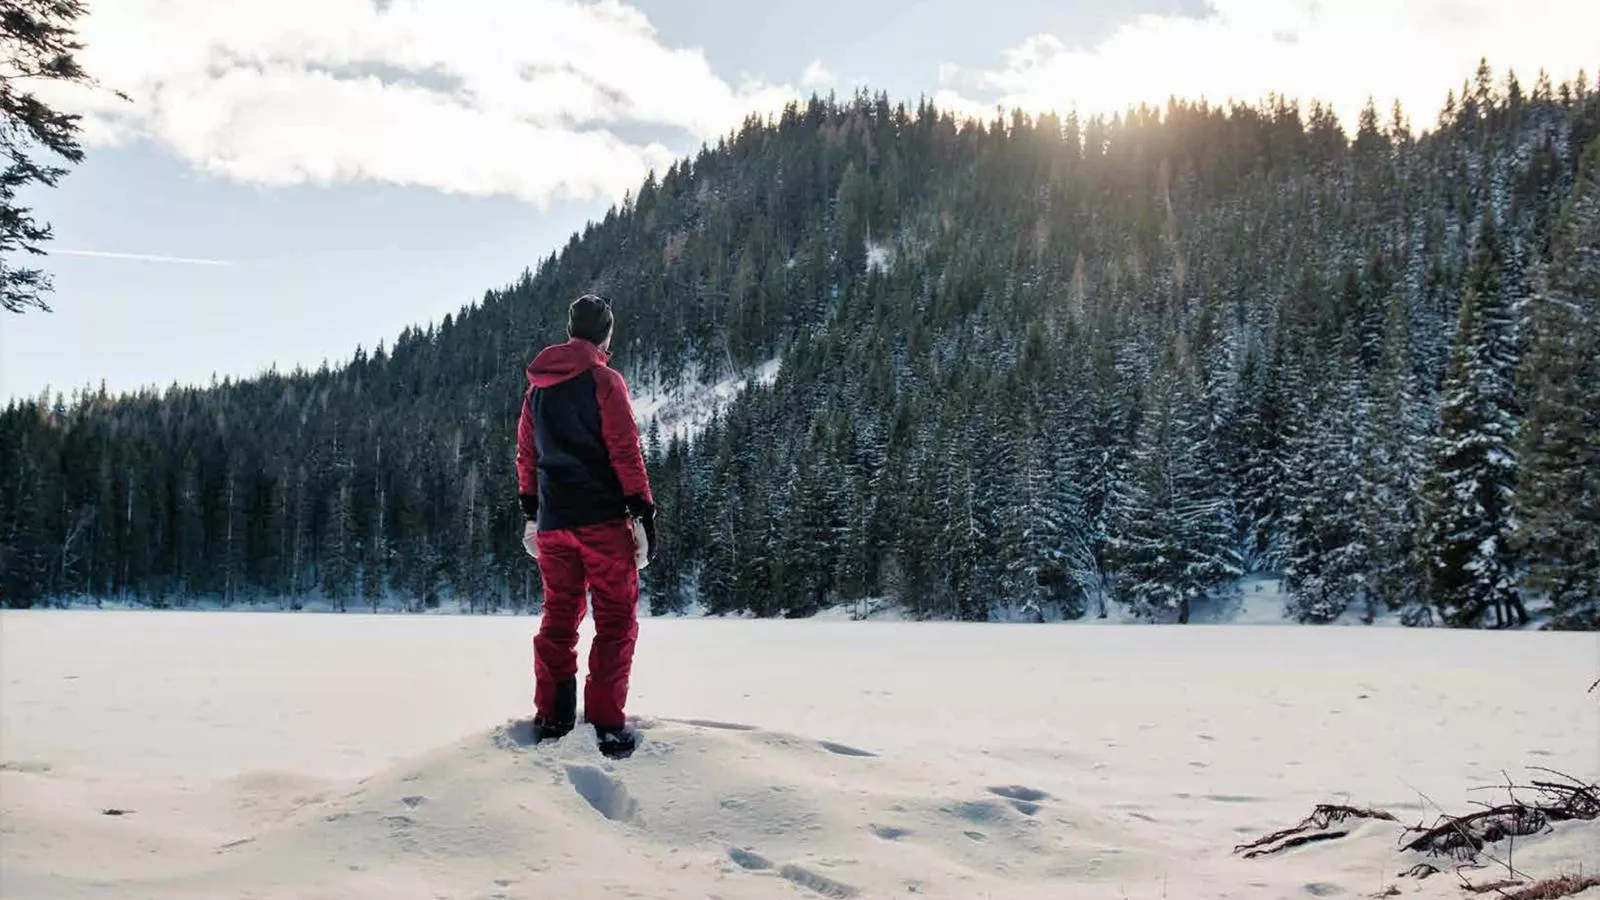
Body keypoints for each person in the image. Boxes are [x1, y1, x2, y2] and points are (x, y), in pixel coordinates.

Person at [515, 293, 656, 759]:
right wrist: (643, 511)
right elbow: (624, 450)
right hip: (600, 521)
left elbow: (527, 457)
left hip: (554, 523)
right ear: (606, 334)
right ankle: (606, 728)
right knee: (616, 621)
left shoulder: (537, 390)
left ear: (571, 328)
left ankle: (553, 719)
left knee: (559, 618)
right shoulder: (604, 380)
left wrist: (532, 514)